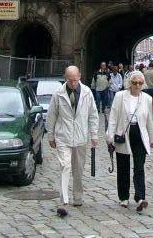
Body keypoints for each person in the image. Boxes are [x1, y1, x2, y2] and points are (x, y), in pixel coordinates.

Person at [47, 65, 99, 217]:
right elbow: (52, 115)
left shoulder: (87, 92)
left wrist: (94, 134)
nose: (73, 83)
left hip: (80, 137)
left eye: (75, 80)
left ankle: (78, 196)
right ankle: (64, 200)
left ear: (80, 77)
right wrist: (51, 135)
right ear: (65, 78)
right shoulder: (58, 94)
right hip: (63, 136)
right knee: (65, 166)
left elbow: (93, 115)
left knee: (78, 169)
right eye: (70, 81)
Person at [106, 70, 153, 211]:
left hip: (139, 134)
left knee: (139, 167)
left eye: (140, 83)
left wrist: (151, 138)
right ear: (130, 83)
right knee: (123, 166)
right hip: (123, 133)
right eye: (135, 83)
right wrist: (110, 136)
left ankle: (140, 197)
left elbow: (149, 121)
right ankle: (123, 197)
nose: (138, 85)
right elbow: (113, 117)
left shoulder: (147, 99)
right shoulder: (120, 96)